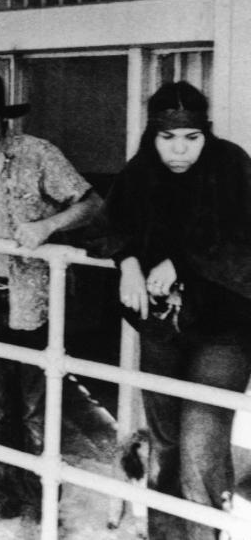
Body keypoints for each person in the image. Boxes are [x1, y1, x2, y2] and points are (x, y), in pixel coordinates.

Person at [0, 68, 102, 539]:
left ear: (2, 118)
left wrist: (48, 227)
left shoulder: (37, 153)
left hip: (37, 298)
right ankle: (2, 490)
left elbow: (93, 204)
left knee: (34, 408)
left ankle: (41, 502)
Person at [96, 81, 251, 540]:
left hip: (225, 328)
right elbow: (109, 223)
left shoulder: (232, 164)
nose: (179, 150)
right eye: (168, 138)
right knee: (165, 444)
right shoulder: (140, 171)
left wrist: (178, 260)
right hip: (162, 327)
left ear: (206, 133)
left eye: (191, 138)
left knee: (202, 446)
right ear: (153, 135)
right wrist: (125, 261)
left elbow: (241, 241)